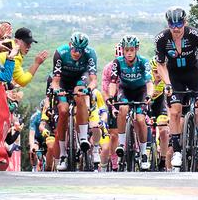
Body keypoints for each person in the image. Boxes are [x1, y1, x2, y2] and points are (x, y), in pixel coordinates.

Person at [154, 6, 198, 168]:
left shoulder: (194, 34)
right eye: (172, 25)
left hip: (193, 73)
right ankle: (176, 151)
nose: (176, 29)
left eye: (179, 24)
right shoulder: (161, 39)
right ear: (168, 24)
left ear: (185, 22)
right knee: (175, 111)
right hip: (174, 76)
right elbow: (160, 65)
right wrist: (167, 84)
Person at [51, 32, 98, 171]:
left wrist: (88, 89)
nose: (77, 53)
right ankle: (63, 155)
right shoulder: (60, 52)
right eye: (75, 49)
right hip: (63, 82)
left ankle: (83, 138)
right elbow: (55, 81)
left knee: (80, 95)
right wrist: (57, 90)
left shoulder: (90, 54)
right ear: (70, 45)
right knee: (63, 111)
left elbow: (94, 79)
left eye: (80, 50)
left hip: (80, 78)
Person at [109, 35, 153, 170]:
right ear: (123, 50)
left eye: (131, 50)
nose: (128, 53)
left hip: (140, 91)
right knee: (123, 109)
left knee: (140, 120)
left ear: (136, 49)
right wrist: (111, 96)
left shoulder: (143, 62)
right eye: (126, 50)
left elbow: (149, 82)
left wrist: (149, 96)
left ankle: (144, 153)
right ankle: (122, 144)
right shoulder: (118, 62)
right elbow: (112, 82)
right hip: (125, 90)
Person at [101, 43, 122, 171]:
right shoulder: (108, 68)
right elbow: (104, 90)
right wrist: (110, 102)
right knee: (114, 135)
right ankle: (114, 162)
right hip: (113, 97)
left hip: (129, 94)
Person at [149, 58, 170, 171]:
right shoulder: (147, 79)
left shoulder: (167, 81)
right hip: (147, 105)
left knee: (163, 129)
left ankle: (162, 159)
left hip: (160, 104)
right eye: (155, 72)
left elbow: (168, 102)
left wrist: (169, 118)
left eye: (159, 71)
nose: (157, 74)